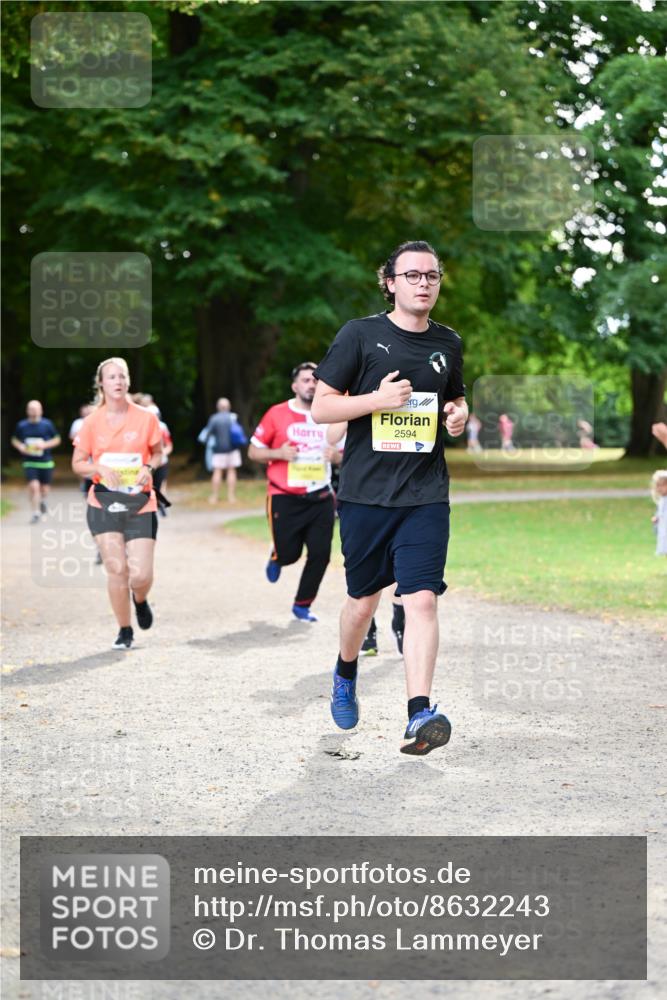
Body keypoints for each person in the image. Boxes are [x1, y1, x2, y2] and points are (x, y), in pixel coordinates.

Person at [311, 240, 467, 755]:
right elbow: (322, 409)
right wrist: (377, 400)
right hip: (365, 496)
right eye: (413, 275)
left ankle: (419, 713)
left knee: (421, 599)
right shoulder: (359, 336)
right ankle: (345, 669)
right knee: (362, 602)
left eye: (432, 275)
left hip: (425, 494)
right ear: (391, 282)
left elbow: (455, 399)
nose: (424, 283)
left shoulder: (449, 342)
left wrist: (458, 415)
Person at [71, 358, 163, 650]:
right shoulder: (91, 422)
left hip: (140, 502)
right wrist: (97, 468)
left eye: (122, 376)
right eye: (111, 377)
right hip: (103, 503)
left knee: (141, 575)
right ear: (101, 383)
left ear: (128, 382)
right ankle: (124, 630)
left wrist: (148, 467)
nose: (118, 381)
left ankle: (141, 598)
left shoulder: (146, 417)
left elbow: (159, 453)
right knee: (117, 569)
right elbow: (77, 464)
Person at [248, 362, 341, 623]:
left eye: (315, 380)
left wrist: (337, 457)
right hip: (284, 495)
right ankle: (277, 554)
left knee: (321, 554)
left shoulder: (333, 414)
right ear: (295, 386)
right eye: (306, 380)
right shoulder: (277, 413)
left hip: (321, 496)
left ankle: (302, 604)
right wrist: (278, 453)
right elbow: (253, 452)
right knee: (290, 555)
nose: (311, 384)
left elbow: (350, 454)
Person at [326, 421, 405, 656]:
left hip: (403, 487)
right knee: (366, 566)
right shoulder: (352, 393)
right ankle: (367, 631)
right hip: (362, 494)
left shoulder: (406, 392)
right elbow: (332, 438)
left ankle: (400, 622)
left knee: (401, 562)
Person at [11, 400, 61, 523]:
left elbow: (57, 439)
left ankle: (43, 500)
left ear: (41, 410)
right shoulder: (21, 425)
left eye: (36, 409)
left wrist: (45, 445)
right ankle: (35, 512)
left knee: (44, 488)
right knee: (34, 487)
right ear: (27, 411)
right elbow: (14, 439)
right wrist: (20, 447)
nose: (34, 411)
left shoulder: (47, 424)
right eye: (31, 409)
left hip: (46, 461)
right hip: (29, 462)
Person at [204, 398, 244, 504]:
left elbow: (208, 434)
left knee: (217, 472)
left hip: (218, 450)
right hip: (233, 449)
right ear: (228, 407)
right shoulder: (233, 417)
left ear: (218, 407)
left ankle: (214, 496)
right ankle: (231, 497)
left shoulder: (214, 419)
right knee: (231, 471)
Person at [650, 470, 667, 557]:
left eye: (662, 485)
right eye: (657, 486)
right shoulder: (662, 500)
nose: (659, 488)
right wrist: (657, 518)